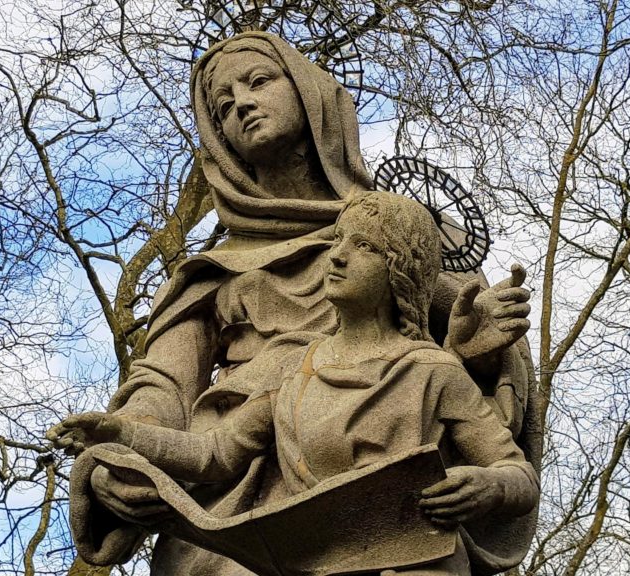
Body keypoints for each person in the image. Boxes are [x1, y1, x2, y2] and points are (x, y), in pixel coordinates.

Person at [49, 31, 538, 576]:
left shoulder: (398, 231)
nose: (242, 105)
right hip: (241, 500)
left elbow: (471, 378)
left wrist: (482, 354)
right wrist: (123, 448)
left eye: (258, 81)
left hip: (386, 495)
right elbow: (163, 386)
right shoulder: (208, 274)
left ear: (309, 93)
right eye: (223, 105)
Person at [52, 192, 539, 575]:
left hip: (415, 564)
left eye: (364, 246)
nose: (338, 256)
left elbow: (517, 475)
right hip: (315, 562)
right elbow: (214, 454)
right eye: (338, 241)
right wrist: (118, 434)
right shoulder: (296, 371)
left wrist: (488, 486)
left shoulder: (432, 370)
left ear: (400, 270)